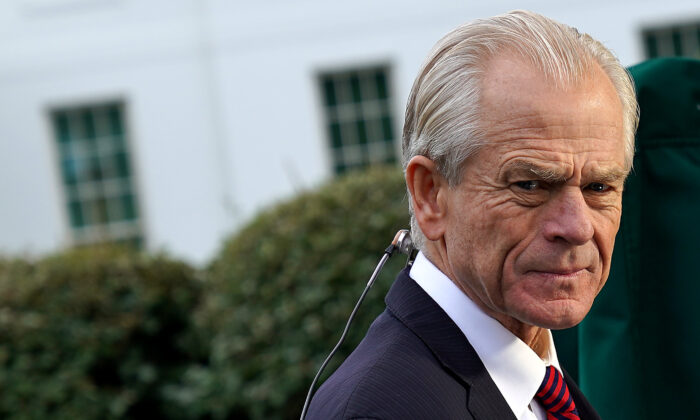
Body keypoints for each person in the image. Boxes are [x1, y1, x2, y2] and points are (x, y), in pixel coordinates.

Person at [306, 10, 638, 420]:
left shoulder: (542, 383)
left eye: (599, 188)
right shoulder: (379, 410)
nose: (577, 227)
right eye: (530, 185)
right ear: (430, 195)